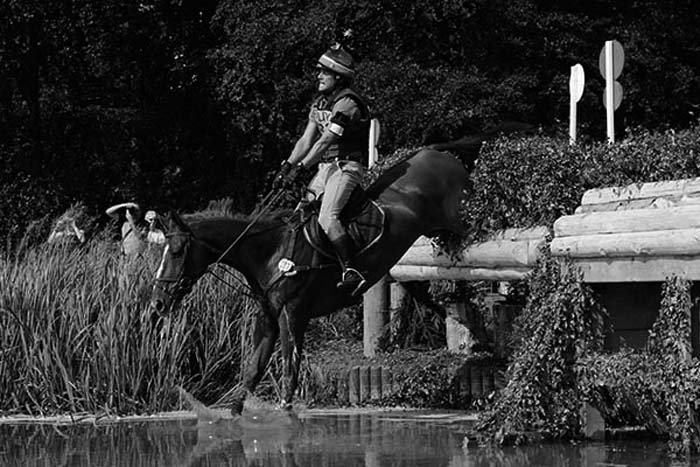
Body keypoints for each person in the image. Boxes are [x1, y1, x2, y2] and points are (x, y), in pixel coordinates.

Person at [274, 42, 371, 294]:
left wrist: (302, 167)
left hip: (347, 167)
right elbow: (306, 140)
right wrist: (287, 166)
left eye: (323, 72)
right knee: (299, 216)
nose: (318, 76)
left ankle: (352, 269)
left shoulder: (347, 103)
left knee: (328, 217)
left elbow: (327, 139)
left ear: (338, 76)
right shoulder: (319, 104)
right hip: (325, 168)